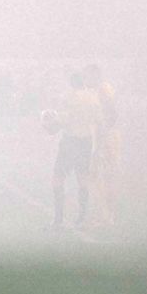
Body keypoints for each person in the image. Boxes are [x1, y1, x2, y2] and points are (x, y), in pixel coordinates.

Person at [50, 71, 100, 229]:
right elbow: (98, 119)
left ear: (71, 83)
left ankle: (58, 219)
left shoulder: (69, 97)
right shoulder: (93, 97)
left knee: (58, 178)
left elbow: (63, 120)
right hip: (86, 140)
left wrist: (51, 125)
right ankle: (82, 217)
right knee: (82, 178)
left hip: (70, 140)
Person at [83, 63, 121, 226]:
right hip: (101, 138)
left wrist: (102, 136)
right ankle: (104, 215)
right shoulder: (96, 90)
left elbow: (112, 113)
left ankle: (106, 216)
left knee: (104, 176)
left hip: (107, 139)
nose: (85, 80)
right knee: (98, 176)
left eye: (87, 76)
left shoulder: (103, 89)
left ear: (94, 75)